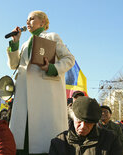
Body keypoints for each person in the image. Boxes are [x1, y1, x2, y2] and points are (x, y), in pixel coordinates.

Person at [6, 10, 75, 154]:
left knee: (43, 144)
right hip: (24, 99)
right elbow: (13, 65)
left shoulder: (51, 37)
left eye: (31, 19)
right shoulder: (24, 44)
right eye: (26, 19)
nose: (27, 22)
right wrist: (15, 43)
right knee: (22, 142)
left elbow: (69, 59)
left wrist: (52, 68)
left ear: (42, 22)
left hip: (45, 98)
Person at [49, 96, 123, 155]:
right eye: (79, 120)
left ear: (94, 123)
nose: (83, 126)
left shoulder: (111, 139)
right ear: (72, 118)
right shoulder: (59, 142)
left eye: (88, 122)